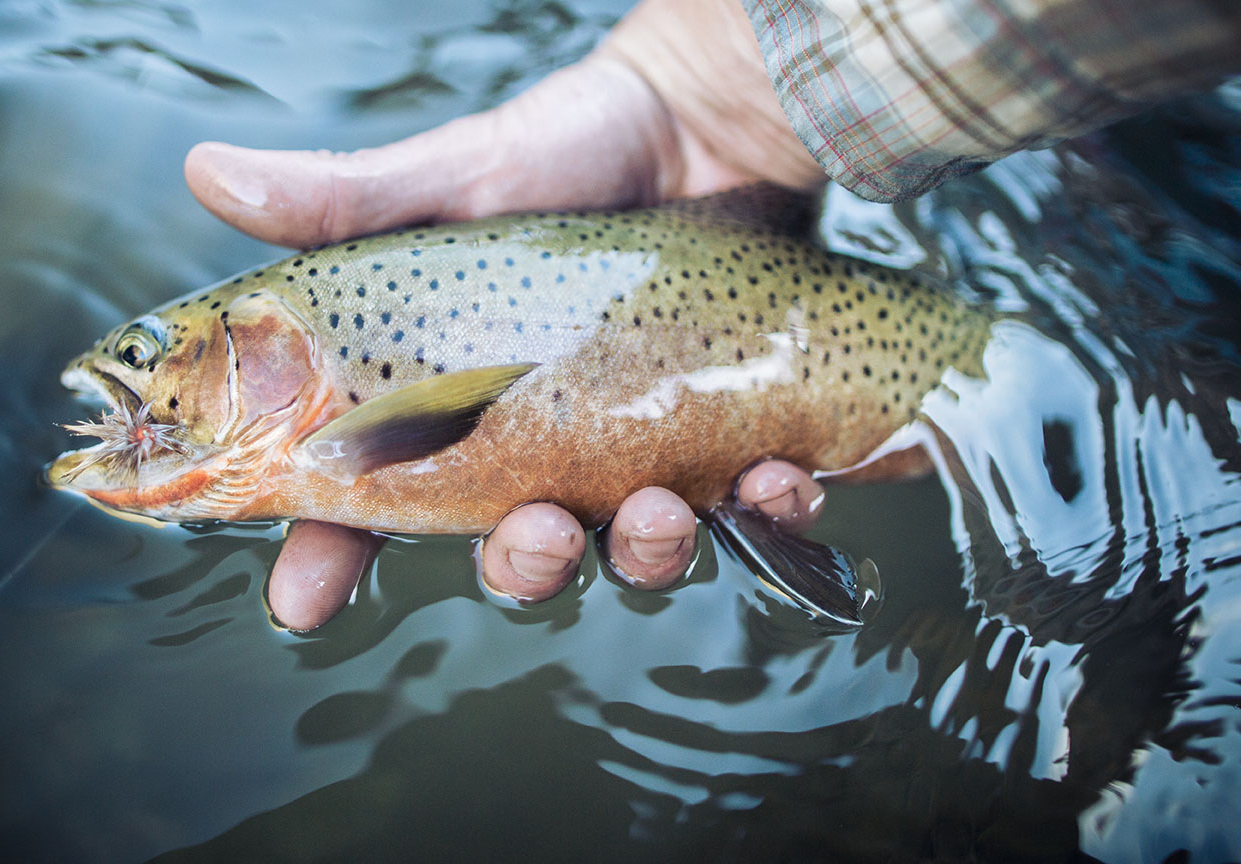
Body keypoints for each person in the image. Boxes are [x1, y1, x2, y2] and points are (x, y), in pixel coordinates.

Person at [184, 0, 1240, 629]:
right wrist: (729, 82)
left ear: (259, 341)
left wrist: (717, 89)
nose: (147, 386)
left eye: (152, 357)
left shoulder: (336, 408)